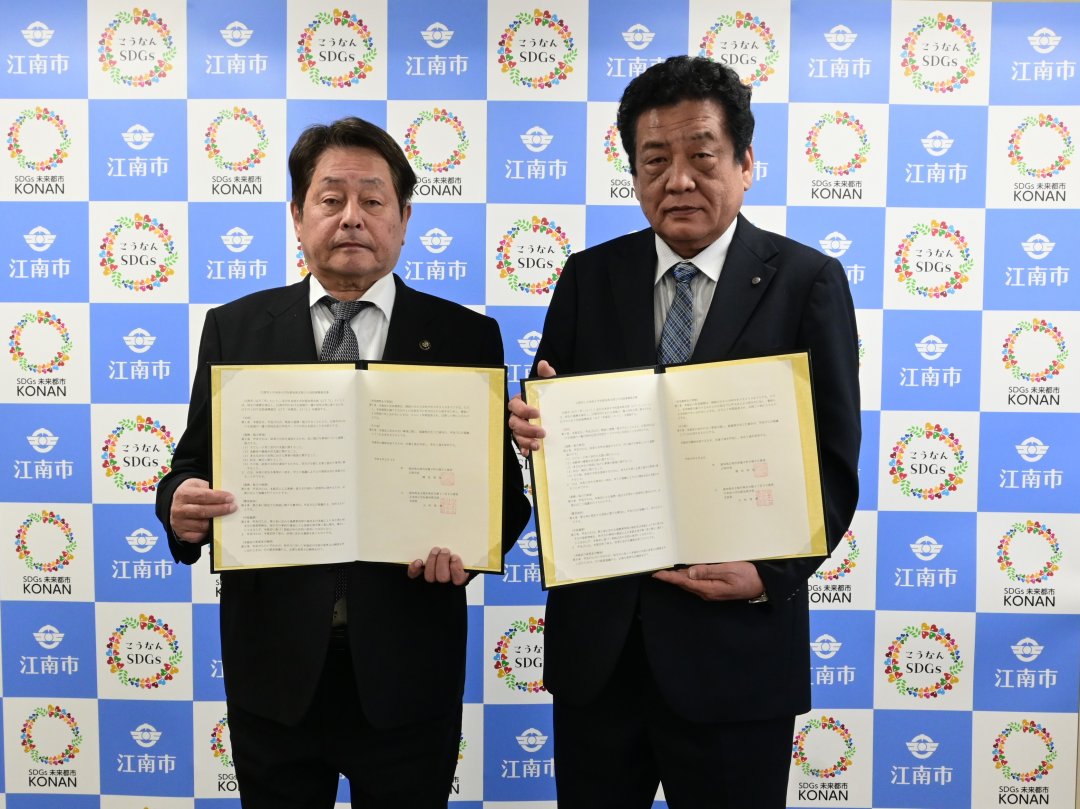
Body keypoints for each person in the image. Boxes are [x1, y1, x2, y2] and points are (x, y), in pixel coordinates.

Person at [507, 56, 861, 808]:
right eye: (654, 160)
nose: (678, 181)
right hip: (601, 656)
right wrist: (533, 431)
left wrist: (771, 571)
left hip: (736, 656)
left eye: (702, 156)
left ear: (745, 163)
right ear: (634, 173)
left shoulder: (806, 281)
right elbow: (557, 436)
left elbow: (834, 462)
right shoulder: (587, 276)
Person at [156, 116, 531, 808]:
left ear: (404, 219)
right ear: (298, 217)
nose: (352, 217)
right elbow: (191, 464)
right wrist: (179, 503)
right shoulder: (237, 328)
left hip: (408, 670)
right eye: (330, 199)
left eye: (373, 200)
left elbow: (505, 501)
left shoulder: (465, 336)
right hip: (274, 669)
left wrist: (469, 551)